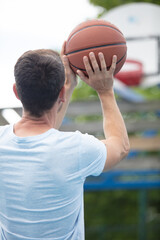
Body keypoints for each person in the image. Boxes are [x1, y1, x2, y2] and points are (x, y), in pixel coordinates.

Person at [0, 42, 130, 240]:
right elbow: (120, 146)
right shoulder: (77, 149)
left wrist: (66, 88)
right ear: (59, 94)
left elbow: (44, 137)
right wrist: (105, 91)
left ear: (17, 91)